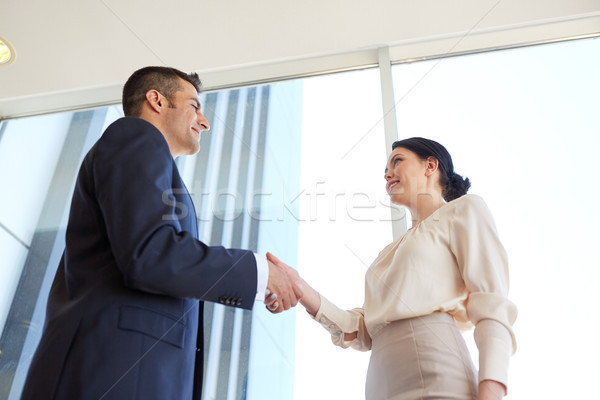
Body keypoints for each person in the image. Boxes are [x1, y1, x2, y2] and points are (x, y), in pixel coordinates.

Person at [20, 66, 302, 400]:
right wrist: (259, 273)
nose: (205, 121)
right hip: (107, 375)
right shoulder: (134, 137)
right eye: (194, 106)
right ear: (156, 100)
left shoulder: (152, 165)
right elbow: (151, 252)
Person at [266, 137, 517, 400]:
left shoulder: (464, 210)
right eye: (386, 168)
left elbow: (492, 303)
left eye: (397, 161)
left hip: (436, 373)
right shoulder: (388, 252)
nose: (387, 174)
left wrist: (492, 387)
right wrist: (299, 287)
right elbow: (361, 328)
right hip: (381, 385)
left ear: (430, 165)